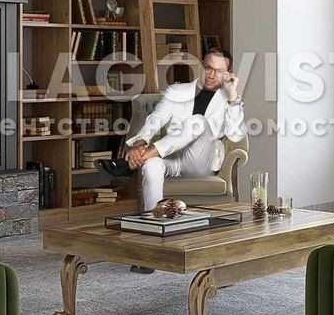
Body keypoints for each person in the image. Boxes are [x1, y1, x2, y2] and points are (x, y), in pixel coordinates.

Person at [95, 47, 246, 211]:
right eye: (208, 67)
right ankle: (153, 217)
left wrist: (232, 96)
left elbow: (236, 135)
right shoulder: (176, 91)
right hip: (173, 158)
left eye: (219, 71)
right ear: (202, 65)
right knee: (151, 165)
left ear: (227, 74)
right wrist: (140, 143)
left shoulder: (229, 100)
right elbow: (156, 118)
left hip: (201, 163)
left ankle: (129, 164)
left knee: (197, 121)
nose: (211, 75)